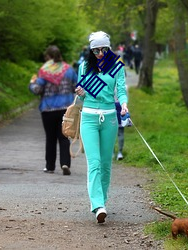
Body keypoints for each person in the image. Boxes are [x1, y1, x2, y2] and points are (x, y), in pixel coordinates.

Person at [75, 31, 128, 223]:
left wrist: (123, 104)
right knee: (94, 163)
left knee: (106, 164)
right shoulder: (84, 67)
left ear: (108, 48)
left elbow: (121, 90)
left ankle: (103, 201)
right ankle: (97, 205)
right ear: (91, 50)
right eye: (95, 50)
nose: (99, 53)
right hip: (88, 117)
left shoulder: (116, 66)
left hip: (110, 118)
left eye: (103, 49)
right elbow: (81, 97)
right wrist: (80, 92)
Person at [29, 45, 77, 175]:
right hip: (65, 109)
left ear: (48, 57)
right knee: (64, 136)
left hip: (48, 109)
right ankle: (65, 163)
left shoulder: (44, 71)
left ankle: (50, 167)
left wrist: (32, 83)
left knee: (50, 138)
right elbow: (76, 87)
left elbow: (37, 90)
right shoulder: (69, 70)